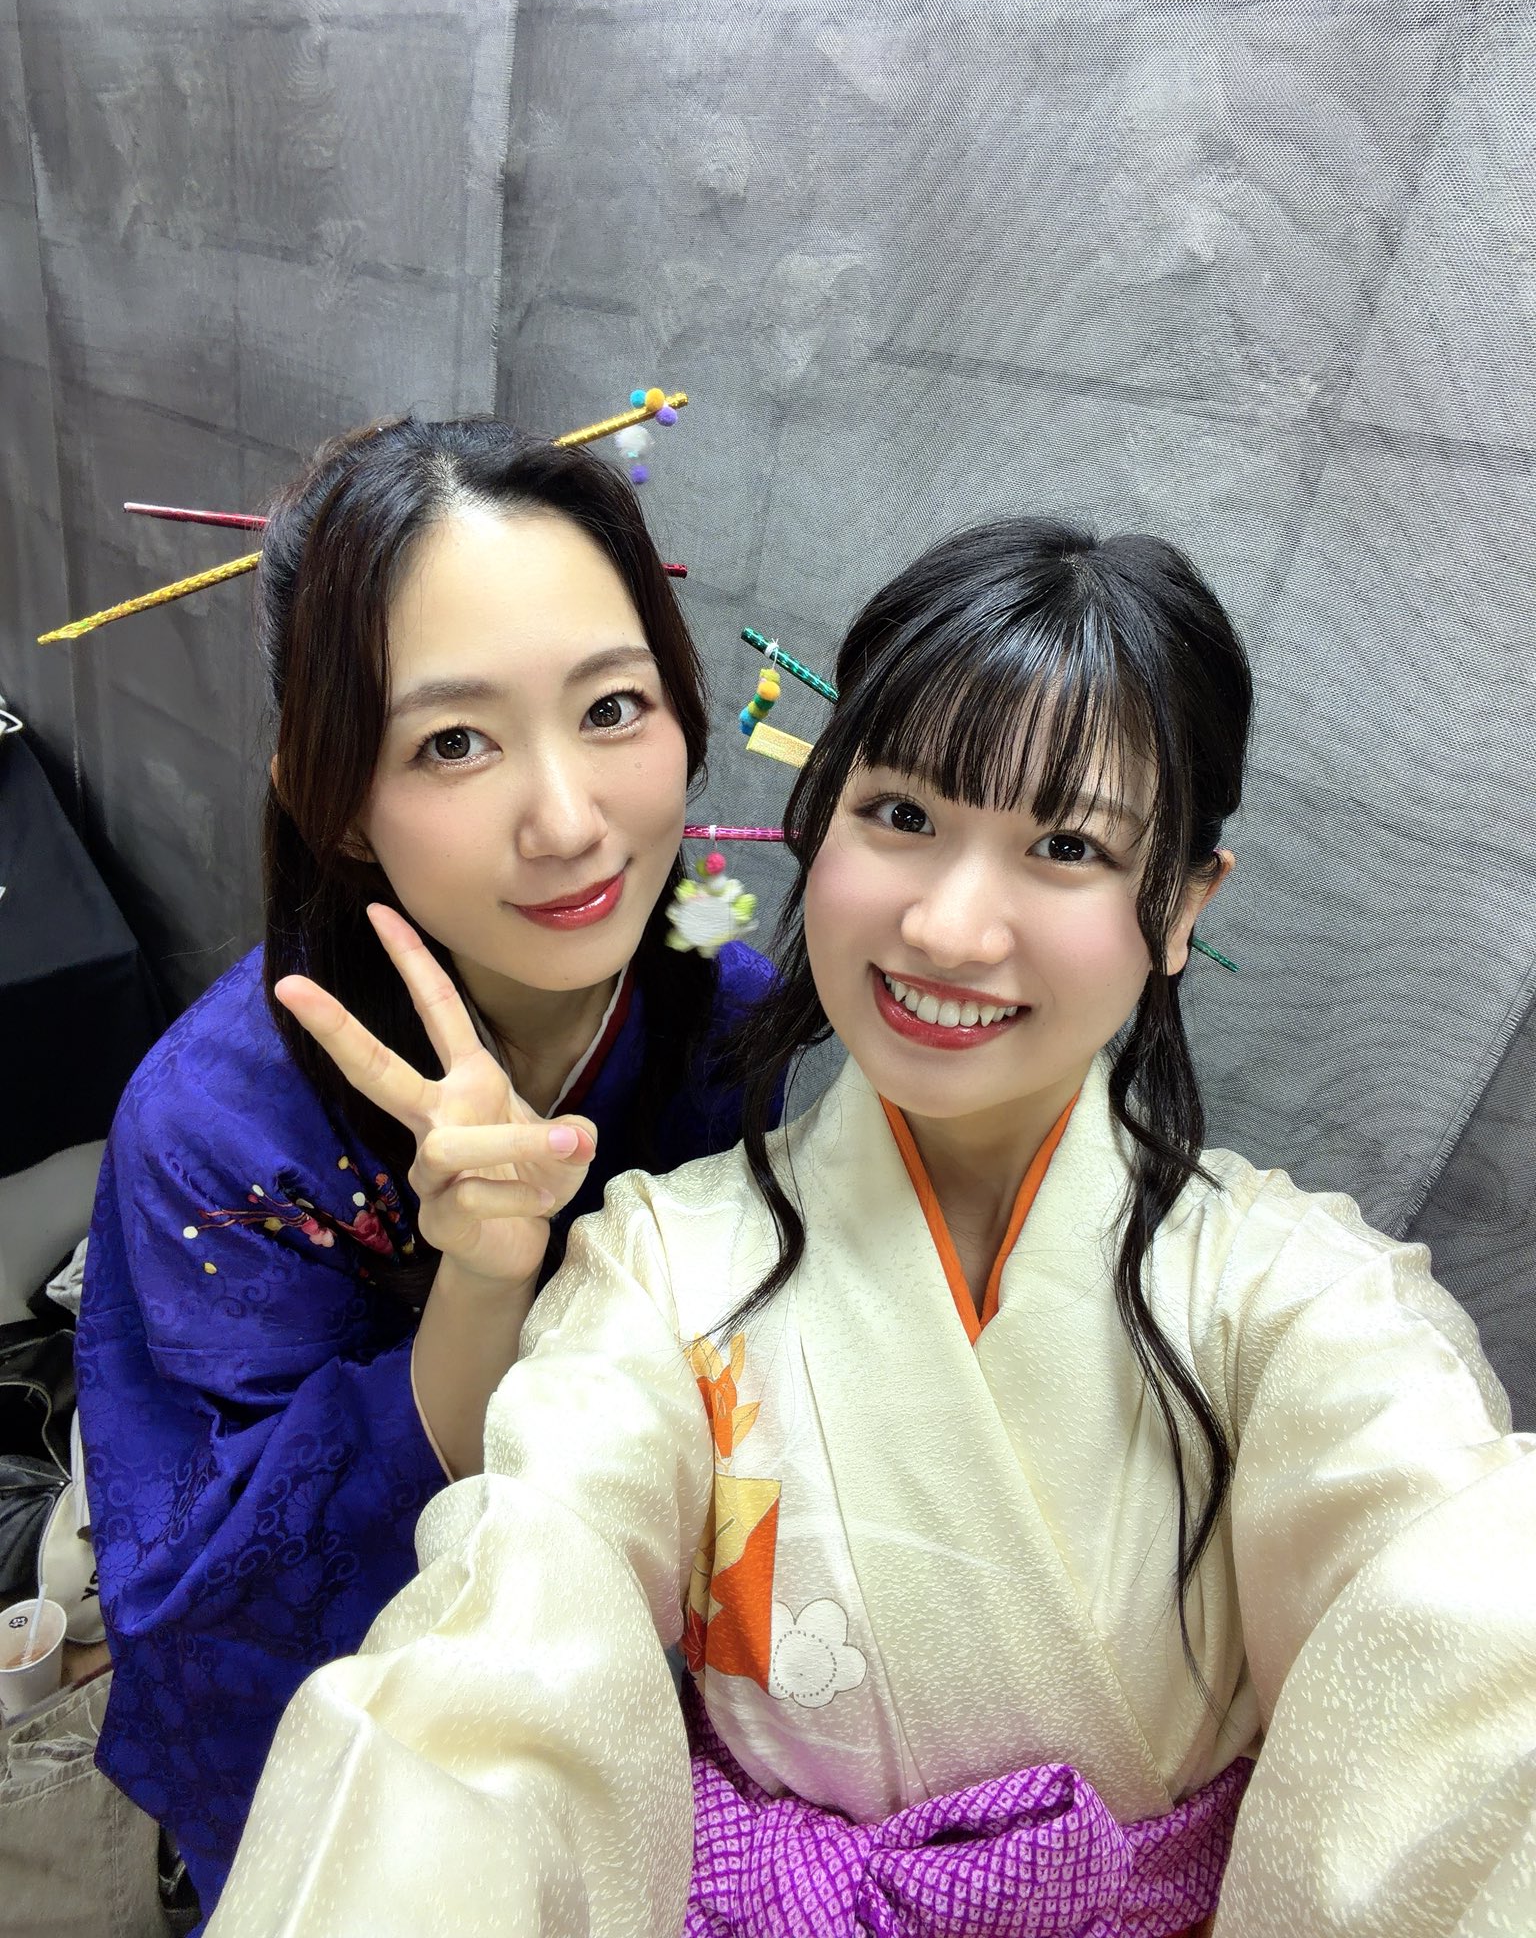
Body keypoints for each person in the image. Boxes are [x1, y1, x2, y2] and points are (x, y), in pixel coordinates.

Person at [207, 518, 1534, 1938]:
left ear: (1181, 907)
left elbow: (1468, 1648)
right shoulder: (659, 1268)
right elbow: (513, 1632)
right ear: (818, 816)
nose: (952, 928)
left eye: (1067, 846)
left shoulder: (1300, 1302)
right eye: (901, 815)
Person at [73, 417, 778, 1918]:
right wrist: (481, 1285)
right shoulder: (215, 1132)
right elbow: (214, 1601)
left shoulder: (725, 1004)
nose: (569, 822)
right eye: (453, 741)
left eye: (613, 706)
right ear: (334, 799)